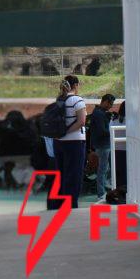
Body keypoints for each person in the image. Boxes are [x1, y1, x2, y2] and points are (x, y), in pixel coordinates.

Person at [49, 75, 86, 210]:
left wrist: (60, 134)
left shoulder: (59, 100)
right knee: (73, 174)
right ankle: (71, 205)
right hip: (74, 142)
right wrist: (66, 131)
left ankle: (58, 205)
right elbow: (81, 121)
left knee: (61, 174)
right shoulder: (77, 100)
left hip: (58, 143)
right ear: (75, 85)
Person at [89, 94, 117, 202]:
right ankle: (101, 193)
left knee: (105, 169)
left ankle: (103, 190)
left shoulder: (98, 112)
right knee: (102, 170)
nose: (111, 106)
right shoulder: (99, 114)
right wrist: (112, 130)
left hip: (101, 145)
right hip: (103, 145)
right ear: (105, 101)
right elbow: (102, 131)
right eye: (110, 104)